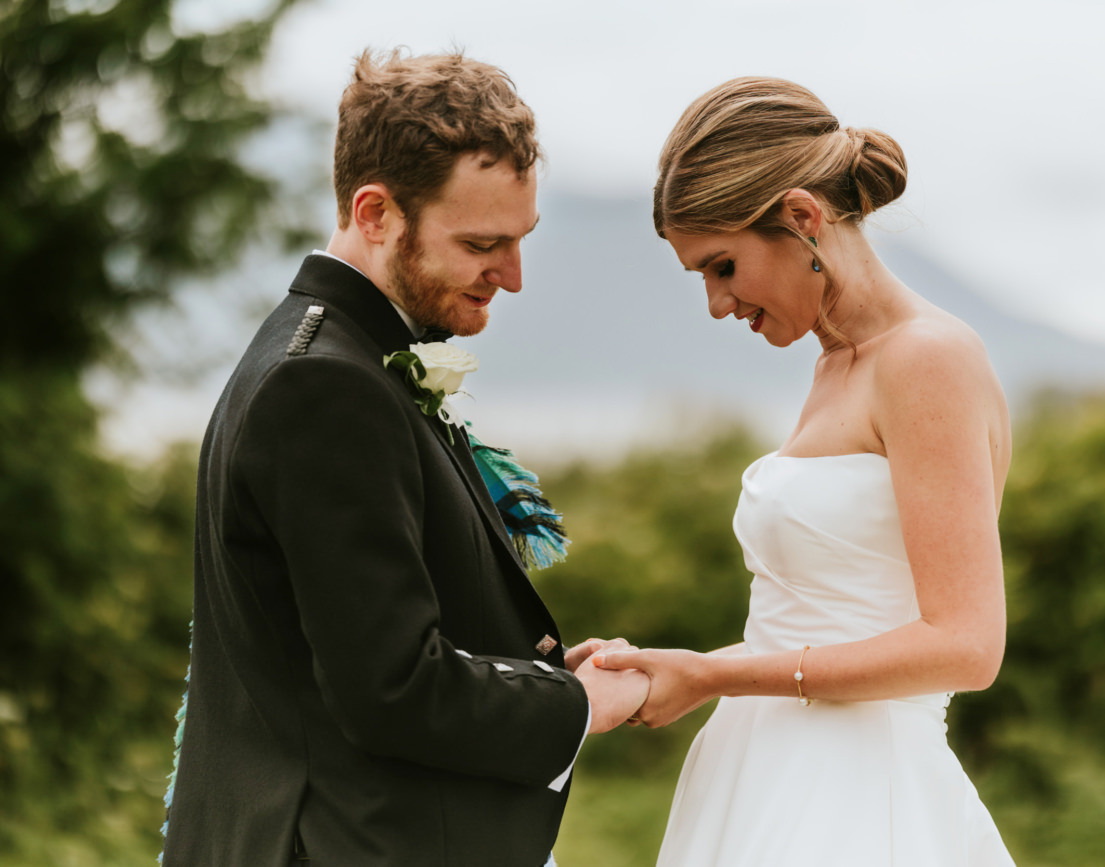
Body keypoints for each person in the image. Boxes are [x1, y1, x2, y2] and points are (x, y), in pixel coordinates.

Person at [159, 49, 649, 867]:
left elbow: (361, 637)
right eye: (482, 242)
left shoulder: (334, 354)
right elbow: (391, 689)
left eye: (521, 239)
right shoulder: (323, 388)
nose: (515, 277)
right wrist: (576, 703)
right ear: (376, 212)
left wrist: (542, 669)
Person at [595, 77, 1017, 865]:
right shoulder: (834, 366)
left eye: (723, 266)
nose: (718, 304)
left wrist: (721, 678)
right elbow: (815, 623)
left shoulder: (929, 359)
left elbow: (966, 643)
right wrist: (678, 669)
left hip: (859, 790)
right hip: (759, 773)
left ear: (801, 217)